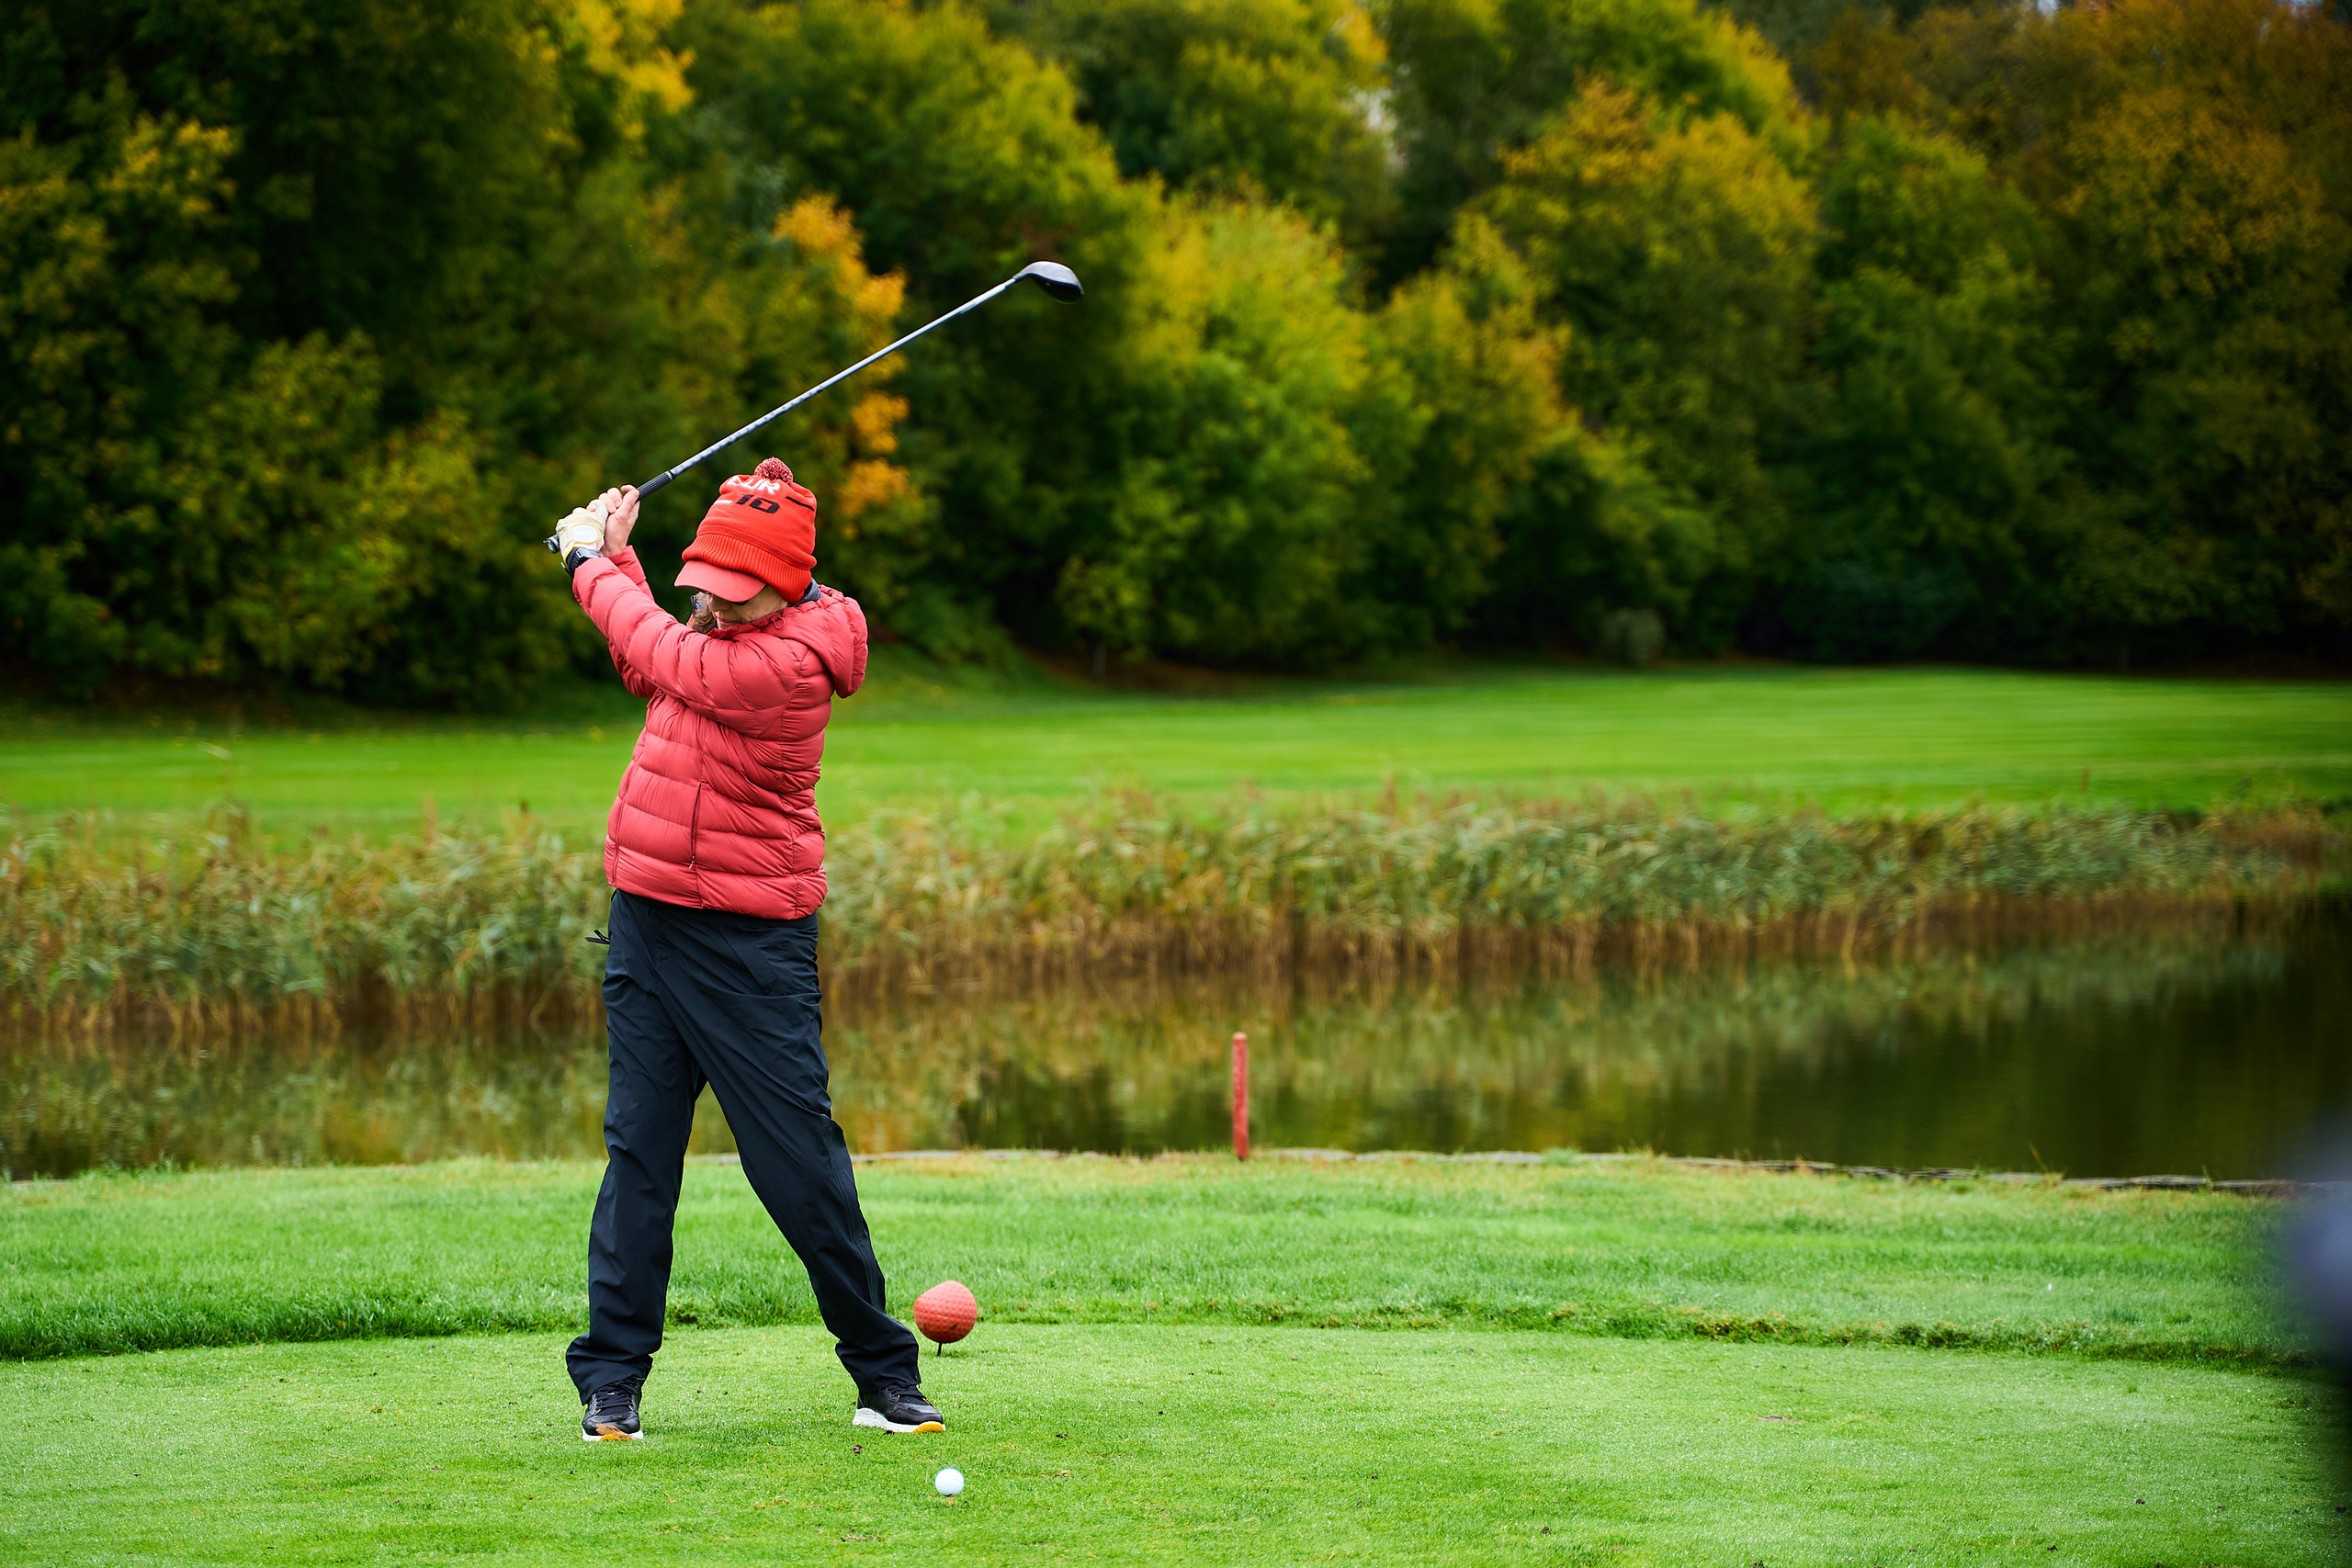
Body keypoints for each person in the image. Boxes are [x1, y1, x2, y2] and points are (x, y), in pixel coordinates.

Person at [548, 457, 940, 1443]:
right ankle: (612, 1381)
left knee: (796, 1163)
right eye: (706, 588)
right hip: (647, 921)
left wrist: (586, 563)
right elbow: (648, 659)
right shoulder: (719, 635)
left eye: (734, 592)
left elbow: (671, 660)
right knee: (639, 1155)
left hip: (749, 945)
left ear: (786, 583)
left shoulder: (788, 665)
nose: (714, 606)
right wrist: (621, 559)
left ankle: (882, 1374)